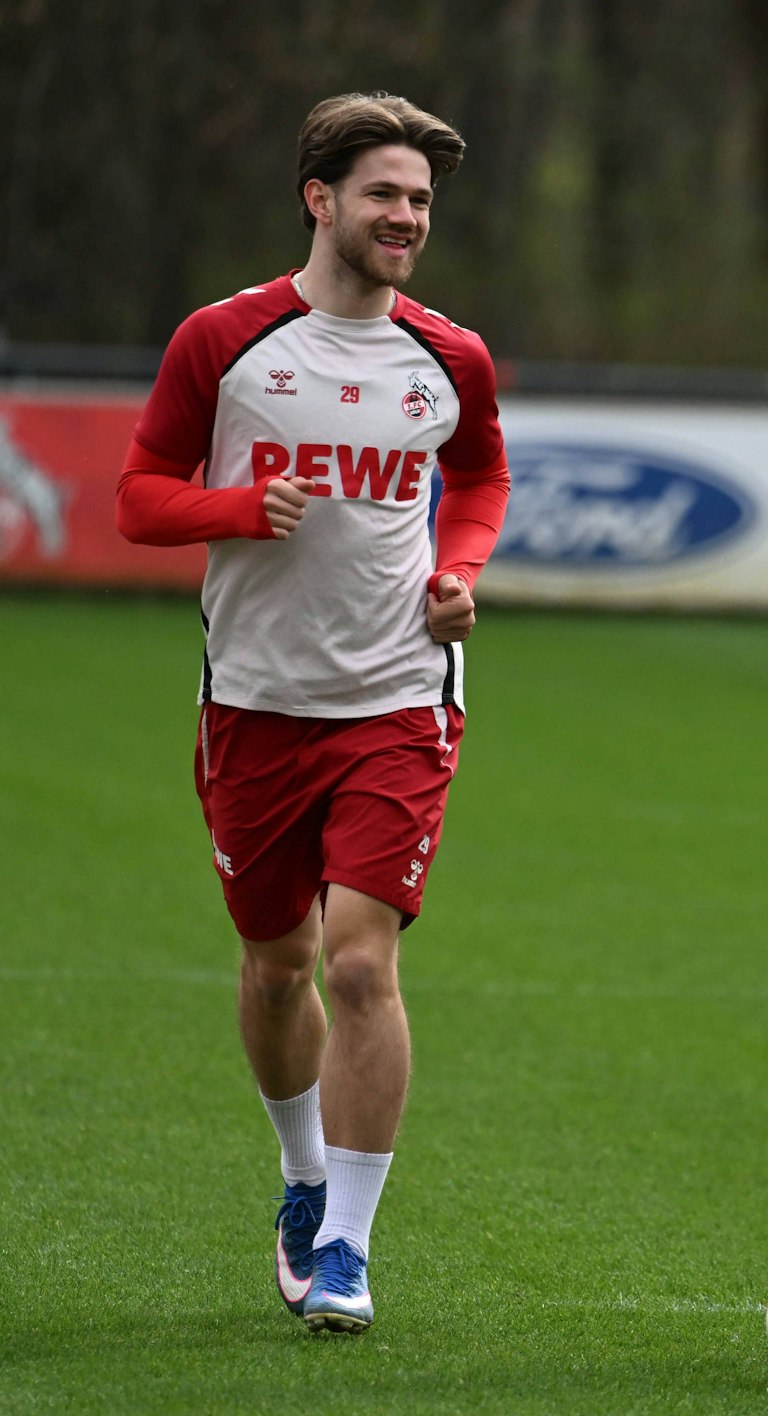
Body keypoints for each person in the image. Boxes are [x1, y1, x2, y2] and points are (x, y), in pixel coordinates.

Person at [116, 92, 510, 1335]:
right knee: (278, 965)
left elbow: (481, 475)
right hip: (253, 702)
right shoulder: (223, 340)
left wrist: (460, 571)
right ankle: (301, 1179)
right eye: (385, 194)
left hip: (399, 695)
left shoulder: (451, 357)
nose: (408, 218)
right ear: (319, 199)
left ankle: (346, 1243)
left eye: (422, 201)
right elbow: (138, 496)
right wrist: (236, 509)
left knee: (356, 960)